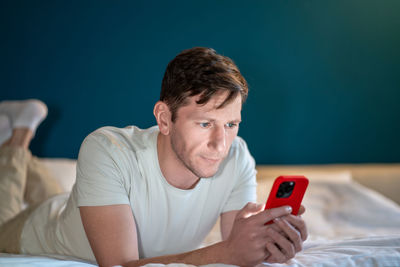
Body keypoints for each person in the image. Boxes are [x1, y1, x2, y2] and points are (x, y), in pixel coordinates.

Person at [0, 47, 307, 267]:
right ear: (163, 118)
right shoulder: (106, 148)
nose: (220, 143)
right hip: (40, 228)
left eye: (231, 124)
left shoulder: (237, 154)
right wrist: (225, 253)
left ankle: (21, 145)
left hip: (82, 208)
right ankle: (18, 138)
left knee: (70, 197)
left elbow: (236, 243)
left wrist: (266, 244)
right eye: (204, 123)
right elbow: (121, 264)